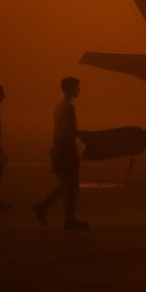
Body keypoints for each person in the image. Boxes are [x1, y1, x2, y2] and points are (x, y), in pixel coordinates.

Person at [33, 77, 89, 231]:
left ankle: (44, 207)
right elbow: (67, 132)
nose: (79, 89)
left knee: (65, 184)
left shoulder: (60, 106)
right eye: (77, 87)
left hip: (58, 149)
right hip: (66, 151)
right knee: (71, 187)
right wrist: (82, 133)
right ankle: (68, 218)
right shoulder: (69, 108)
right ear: (70, 88)